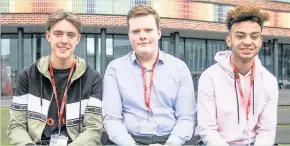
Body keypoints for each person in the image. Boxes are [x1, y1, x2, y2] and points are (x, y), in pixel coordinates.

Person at [102, 4, 196, 146]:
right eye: (136, 31)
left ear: (158, 33)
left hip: (171, 139)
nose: (142, 36)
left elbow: (186, 118)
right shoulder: (115, 69)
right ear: (129, 36)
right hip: (127, 140)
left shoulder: (179, 68)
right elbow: (112, 119)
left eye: (148, 30)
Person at [7, 9, 103, 146]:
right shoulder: (27, 76)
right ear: (48, 36)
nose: (64, 40)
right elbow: (16, 126)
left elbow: (93, 129)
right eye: (58, 34)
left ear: (78, 39)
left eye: (70, 35)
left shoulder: (93, 78)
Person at [194, 6, 279, 146]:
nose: (247, 41)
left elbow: (266, 130)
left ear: (260, 42)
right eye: (240, 36)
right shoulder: (209, 77)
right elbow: (207, 129)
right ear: (228, 40)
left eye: (254, 36)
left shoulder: (269, 81)